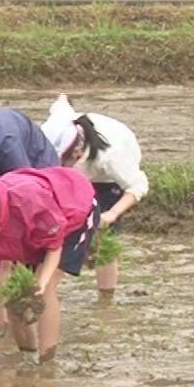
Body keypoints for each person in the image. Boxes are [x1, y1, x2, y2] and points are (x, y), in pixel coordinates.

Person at [0, 166, 98, 367]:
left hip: (72, 213)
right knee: (14, 297)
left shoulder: (28, 200)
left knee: (43, 292)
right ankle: (28, 357)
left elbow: (54, 246)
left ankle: (47, 361)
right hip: (22, 235)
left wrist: (41, 283)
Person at [41, 95, 149, 295]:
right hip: (81, 174)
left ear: (77, 151)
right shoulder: (59, 124)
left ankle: (106, 294)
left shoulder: (112, 157)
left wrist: (112, 214)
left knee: (103, 237)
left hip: (108, 182)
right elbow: (61, 102)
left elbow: (138, 186)